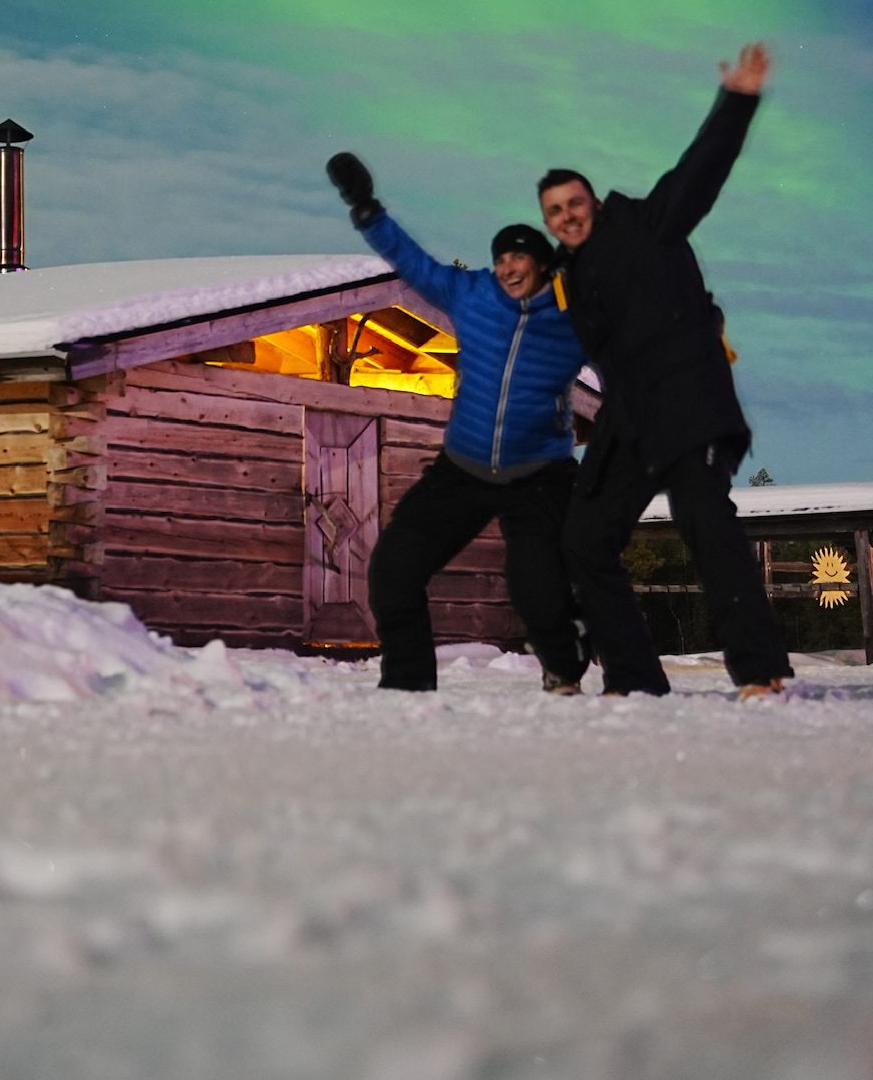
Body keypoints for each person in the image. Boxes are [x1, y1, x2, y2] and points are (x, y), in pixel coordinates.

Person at [537, 41, 792, 700]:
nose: (567, 216)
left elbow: (700, 169)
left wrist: (737, 99)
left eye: (574, 203)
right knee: (584, 537)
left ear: (593, 202)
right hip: (630, 421)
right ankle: (633, 678)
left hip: (688, 403)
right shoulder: (568, 281)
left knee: (705, 519)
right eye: (555, 211)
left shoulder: (648, 224)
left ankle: (759, 670)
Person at [327, 152, 589, 693]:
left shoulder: (572, 316)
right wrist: (366, 208)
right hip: (463, 468)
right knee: (393, 569)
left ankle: (564, 665)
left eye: (519, 257)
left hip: (540, 475)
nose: (508, 268)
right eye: (501, 259)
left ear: (543, 264)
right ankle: (407, 687)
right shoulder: (472, 295)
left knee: (538, 593)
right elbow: (413, 262)